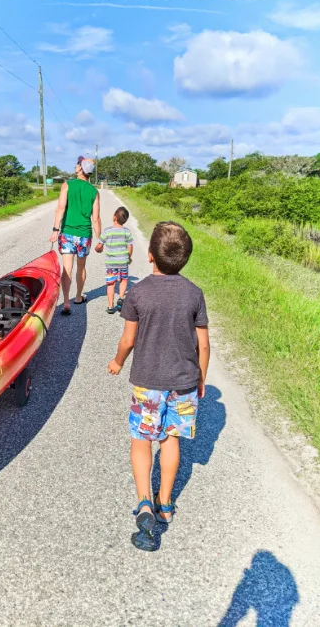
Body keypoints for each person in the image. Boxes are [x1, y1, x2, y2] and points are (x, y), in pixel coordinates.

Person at [108, 221, 210, 551]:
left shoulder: (138, 293)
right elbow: (203, 346)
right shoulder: (194, 294)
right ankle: (165, 502)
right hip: (183, 382)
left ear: (150, 256)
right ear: (186, 259)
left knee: (141, 440)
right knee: (170, 440)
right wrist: (201, 379)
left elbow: (128, 339)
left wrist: (118, 361)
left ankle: (144, 504)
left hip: (147, 383)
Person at [50, 156, 101, 316]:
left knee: (67, 268)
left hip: (67, 233)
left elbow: (60, 208)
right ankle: (78, 297)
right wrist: (101, 239)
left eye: (78, 164)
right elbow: (96, 219)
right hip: (84, 235)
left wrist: (55, 229)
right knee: (81, 267)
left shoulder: (67, 185)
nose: (75, 166)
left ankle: (66, 302)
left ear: (80, 168)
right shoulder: (94, 191)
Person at [95, 206, 134, 314]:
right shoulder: (127, 232)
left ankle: (111, 307)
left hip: (111, 263)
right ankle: (121, 297)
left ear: (114, 217)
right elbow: (130, 246)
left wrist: (98, 249)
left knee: (111, 284)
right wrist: (129, 257)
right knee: (124, 280)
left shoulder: (107, 231)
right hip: (123, 261)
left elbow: (99, 246)